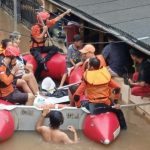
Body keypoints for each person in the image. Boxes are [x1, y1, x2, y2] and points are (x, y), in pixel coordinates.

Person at [73, 57, 127, 130]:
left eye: (88, 65)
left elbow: (76, 96)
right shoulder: (105, 75)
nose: (88, 66)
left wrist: (78, 106)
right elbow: (117, 88)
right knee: (119, 112)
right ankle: (124, 128)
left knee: (83, 103)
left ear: (91, 67)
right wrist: (115, 102)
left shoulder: (87, 77)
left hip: (93, 106)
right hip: (107, 104)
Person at [30, 9, 71, 80]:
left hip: (42, 47)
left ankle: (45, 60)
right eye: (47, 19)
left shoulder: (47, 23)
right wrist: (44, 31)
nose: (48, 20)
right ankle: (36, 78)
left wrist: (65, 12)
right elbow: (38, 39)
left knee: (55, 48)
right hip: (35, 49)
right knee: (40, 62)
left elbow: (57, 18)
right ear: (42, 20)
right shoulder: (35, 28)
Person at [9, 31, 39, 95]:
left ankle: (37, 92)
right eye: (17, 39)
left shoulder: (17, 48)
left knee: (30, 68)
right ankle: (36, 94)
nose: (18, 41)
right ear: (12, 40)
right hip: (14, 77)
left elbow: (20, 58)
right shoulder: (9, 50)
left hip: (19, 73)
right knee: (29, 75)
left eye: (19, 39)